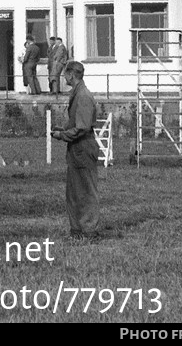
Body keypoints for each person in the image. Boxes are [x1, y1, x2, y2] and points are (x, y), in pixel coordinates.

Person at [50, 60, 102, 238]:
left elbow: (82, 127)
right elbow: (77, 123)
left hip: (83, 148)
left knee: (86, 191)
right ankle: (77, 230)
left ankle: (89, 230)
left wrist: (62, 135)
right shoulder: (78, 93)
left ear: (71, 74)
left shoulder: (83, 96)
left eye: (65, 73)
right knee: (74, 192)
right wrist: (63, 130)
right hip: (77, 149)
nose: (64, 76)